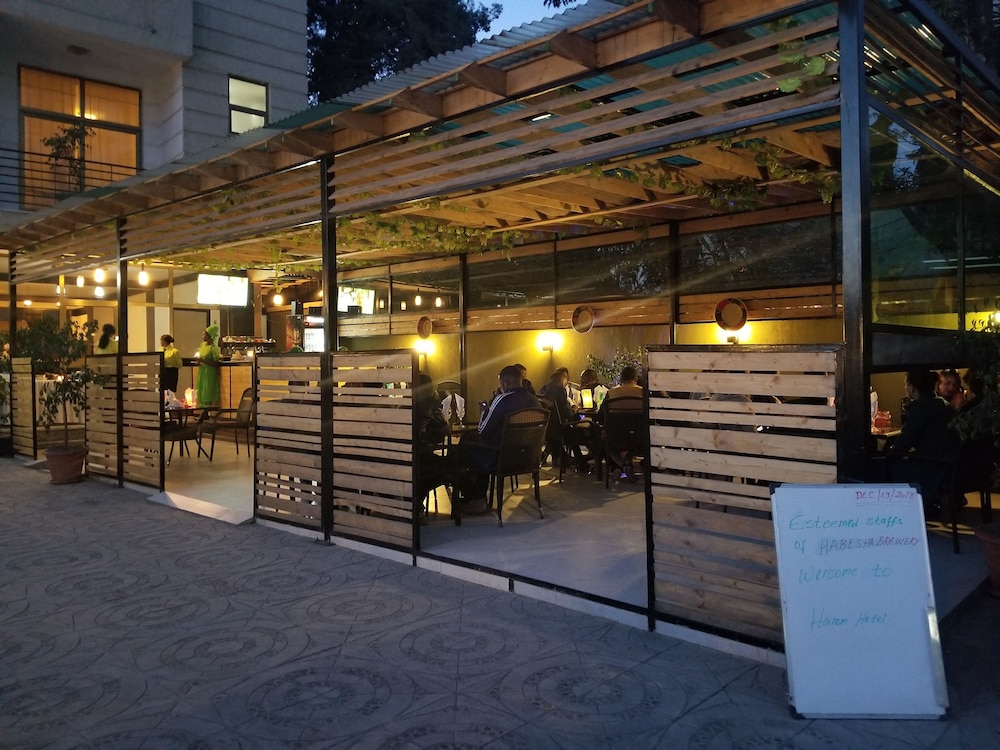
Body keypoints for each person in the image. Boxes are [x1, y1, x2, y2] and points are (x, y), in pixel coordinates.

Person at [456, 364, 540, 513]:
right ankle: (475, 498)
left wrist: (484, 412)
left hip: (501, 459)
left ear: (506, 383)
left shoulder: (502, 399)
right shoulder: (534, 401)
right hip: (527, 459)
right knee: (473, 445)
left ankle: (476, 499)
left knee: (465, 449)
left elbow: (483, 431)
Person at [888, 369, 961, 514]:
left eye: (906, 384)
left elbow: (903, 443)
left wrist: (890, 453)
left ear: (911, 387)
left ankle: (895, 510)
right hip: (950, 464)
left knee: (883, 466)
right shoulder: (943, 404)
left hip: (932, 466)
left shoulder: (921, 407)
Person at [195, 324, 222, 408]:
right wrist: (198, 362)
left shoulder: (214, 348)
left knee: (207, 391)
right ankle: (202, 410)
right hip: (202, 371)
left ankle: (206, 410)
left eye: (205, 334)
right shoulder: (202, 345)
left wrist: (203, 360)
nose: (203, 336)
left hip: (209, 373)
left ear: (210, 336)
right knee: (200, 390)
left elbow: (215, 363)